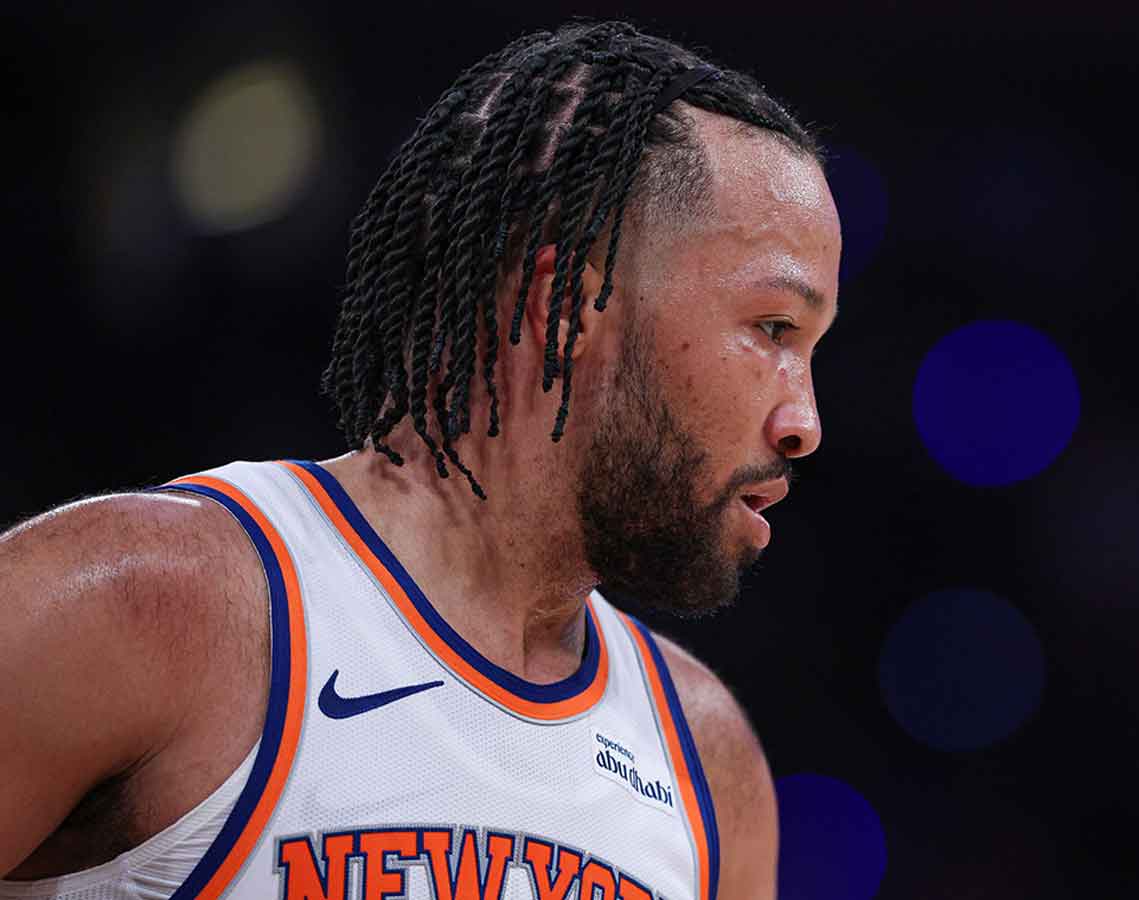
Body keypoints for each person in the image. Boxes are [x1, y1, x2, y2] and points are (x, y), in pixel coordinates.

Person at [0, 19, 839, 900]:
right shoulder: (145, 608)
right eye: (773, 328)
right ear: (569, 301)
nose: (804, 421)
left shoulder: (708, 764)